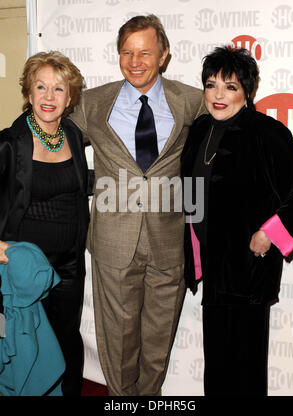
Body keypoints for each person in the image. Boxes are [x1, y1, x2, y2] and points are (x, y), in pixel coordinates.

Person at [69, 14, 206, 396]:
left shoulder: (192, 101)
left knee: (159, 340)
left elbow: (228, 142)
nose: (135, 61)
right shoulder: (92, 103)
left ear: (163, 55)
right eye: (127, 52)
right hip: (114, 241)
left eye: (145, 52)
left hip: (169, 241)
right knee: (118, 338)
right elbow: (51, 139)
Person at [181, 45, 293, 396]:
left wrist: (270, 231)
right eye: (211, 85)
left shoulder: (266, 131)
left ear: (247, 91)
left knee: (245, 368)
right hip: (215, 267)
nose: (218, 95)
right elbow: (191, 190)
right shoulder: (200, 128)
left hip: (249, 268)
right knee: (217, 364)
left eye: (230, 87)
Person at [0, 51, 91, 396]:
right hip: (25, 266)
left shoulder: (72, 134)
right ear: (28, 93)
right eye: (41, 87)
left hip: (69, 263)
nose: (49, 97)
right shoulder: (10, 143)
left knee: (67, 338)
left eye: (58, 89)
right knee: (27, 344)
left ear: (70, 98)